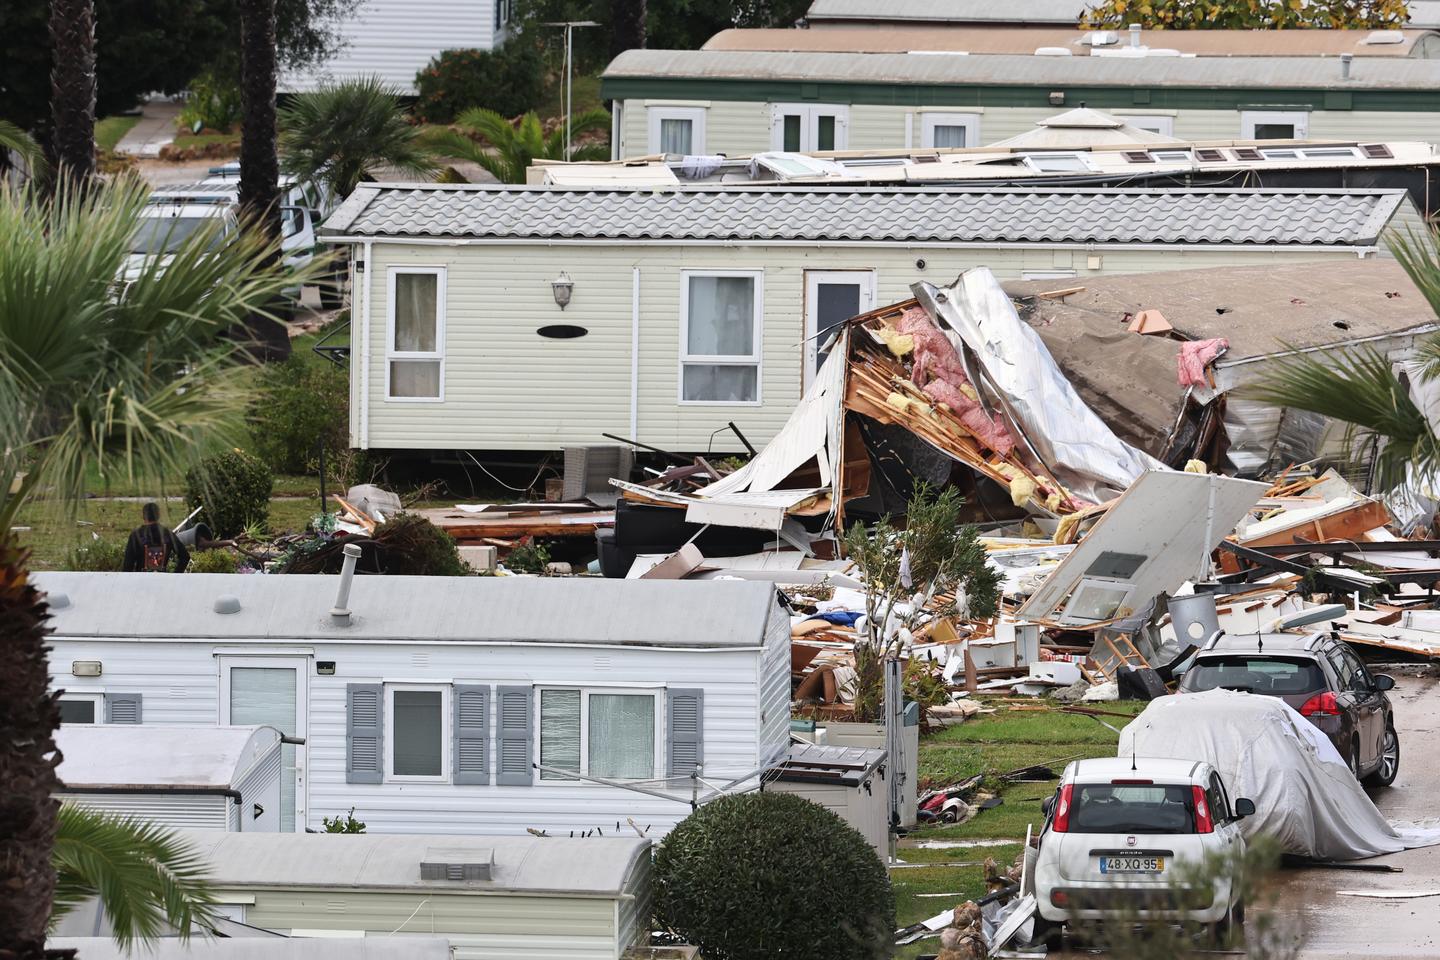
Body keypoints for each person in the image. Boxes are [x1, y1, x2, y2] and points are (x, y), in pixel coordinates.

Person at [121, 502, 190, 572]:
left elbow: (128, 565)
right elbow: (185, 556)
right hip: (162, 580)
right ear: (158, 515)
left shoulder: (136, 536)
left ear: (143, 516)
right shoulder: (168, 534)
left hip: (141, 580)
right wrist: (175, 575)